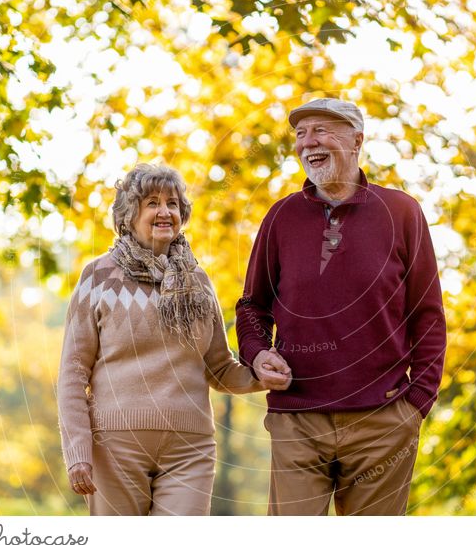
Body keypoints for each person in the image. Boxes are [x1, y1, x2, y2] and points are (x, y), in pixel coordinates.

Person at [235, 98, 446, 515]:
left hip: (383, 420)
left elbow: (427, 314)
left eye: (321, 130)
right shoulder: (281, 217)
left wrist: (417, 401)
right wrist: (257, 355)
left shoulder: (402, 212)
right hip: (297, 418)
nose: (307, 143)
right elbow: (252, 307)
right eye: (299, 134)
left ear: (357, 140)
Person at [57, 163, 290, 516]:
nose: (165, 211)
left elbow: (219, 367)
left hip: (190, 448)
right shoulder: (98, 277)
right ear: (128, 215)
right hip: (116, 445)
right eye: (152, 203)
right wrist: (78, 452)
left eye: (173, 203)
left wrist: (261, 374)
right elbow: (72, 374)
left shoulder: (197, 281)